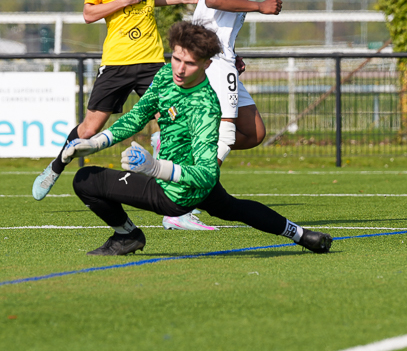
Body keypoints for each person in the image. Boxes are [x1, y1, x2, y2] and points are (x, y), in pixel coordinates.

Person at [63, 22, 332, 256]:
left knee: (84, 181)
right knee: (235, 209)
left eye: (189, 63)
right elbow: (137, 116)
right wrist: (95, 142)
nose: (179, 69)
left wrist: (155, 168)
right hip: (194, 187)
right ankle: (302, 235)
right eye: (176, 58)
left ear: (207, 64)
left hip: (175, 192)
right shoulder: (166, 75)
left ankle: (127, 235)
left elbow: (206, 174)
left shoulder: (204, 106)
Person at [31, 0, 200, 201]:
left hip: (150, 59)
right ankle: (56, 167)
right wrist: (122, 0)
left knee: (171, 118)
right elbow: (88, 13)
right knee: (88, 129)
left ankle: (171, 187)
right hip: (117, 62)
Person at [160, 0, 282, 231]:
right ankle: (181, 205)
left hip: (222, 55)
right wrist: (259, 6)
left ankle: (182, 144)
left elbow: (217, 17)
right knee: (227, 133)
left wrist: (233, 50)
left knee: (254, 132)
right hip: (212, 58)